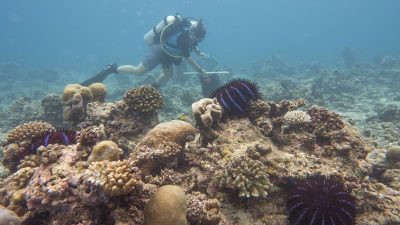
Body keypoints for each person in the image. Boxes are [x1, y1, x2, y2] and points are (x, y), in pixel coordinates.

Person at [81, 14, 208, 88]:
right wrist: (201, 71)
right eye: (196, 38)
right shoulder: (185, 36)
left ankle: (152, 88)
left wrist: (197, 51)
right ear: (193, 32)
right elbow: (187, 57)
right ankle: (112, 68)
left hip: (170, 54)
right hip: (160, 49)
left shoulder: (191, 34)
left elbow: (191, 45)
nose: (196, 40)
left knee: (168, 75)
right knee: (138, 71)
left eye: (199, 40)